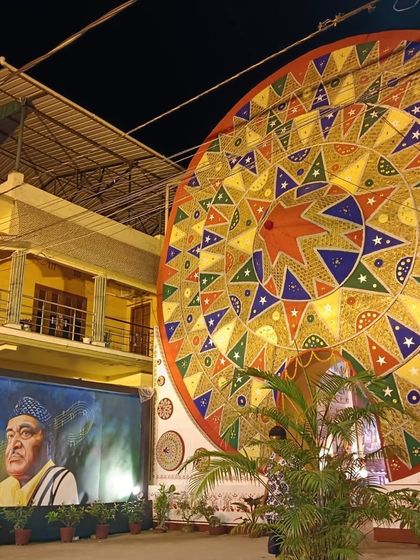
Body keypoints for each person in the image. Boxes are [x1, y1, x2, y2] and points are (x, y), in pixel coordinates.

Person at [0, 396, 79, 506]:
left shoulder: (59, 480)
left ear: (49, 441)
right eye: (10, 436)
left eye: (25, 433)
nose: (14, 444)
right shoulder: (3, 488)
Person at [262, 425, 290, 556]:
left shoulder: (292, 459)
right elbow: (269, 480)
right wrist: (264, 499)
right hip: (273, 506)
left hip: (287, 506)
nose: (274, 445)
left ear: (284, 441)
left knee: (287, 542)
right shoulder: (272, 457)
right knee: (275, 544)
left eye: (277, 441)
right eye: (271, 441)